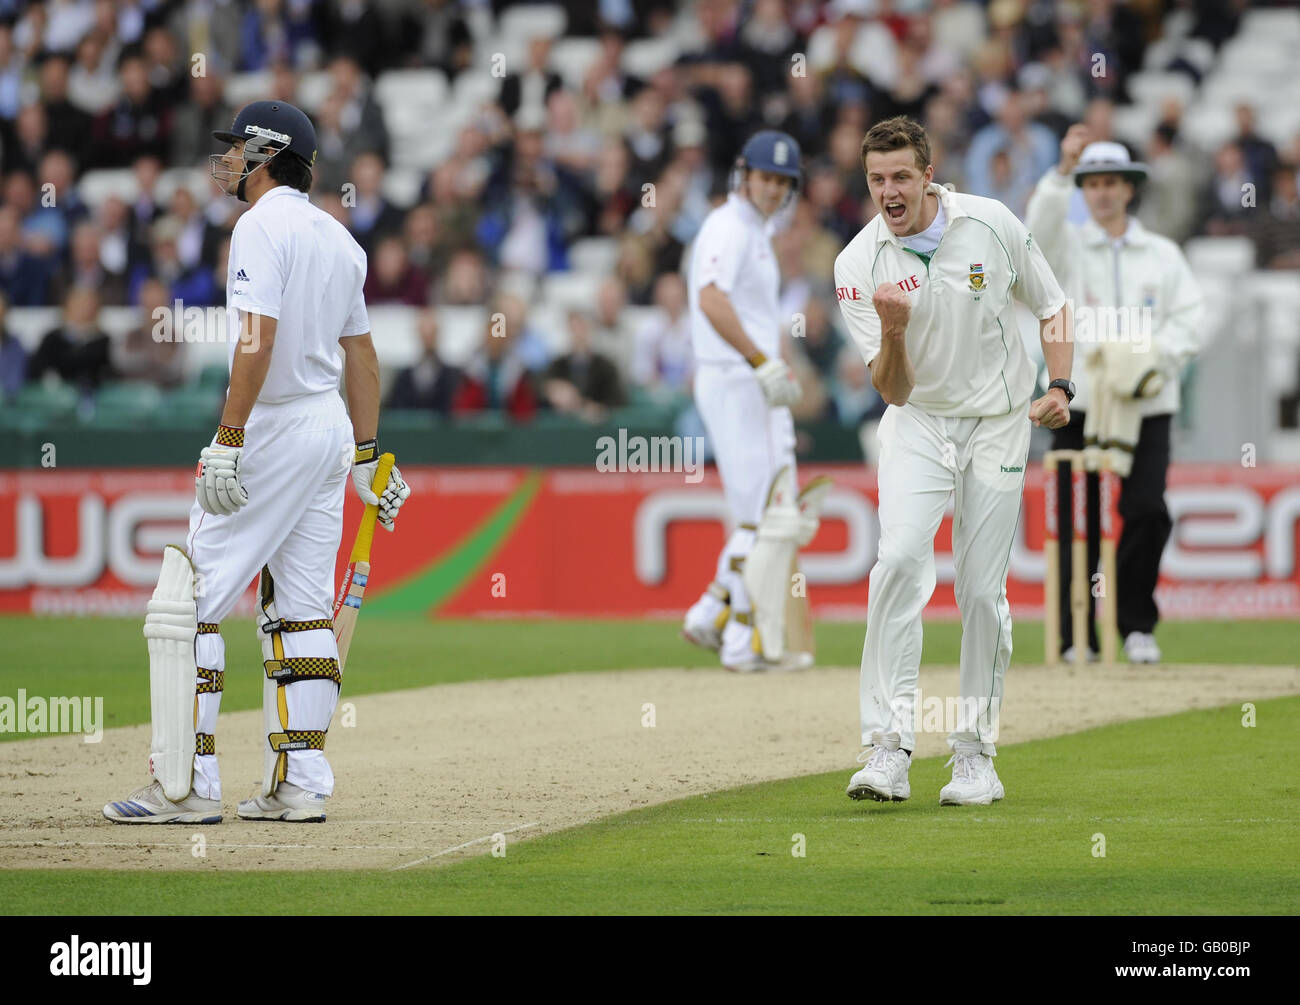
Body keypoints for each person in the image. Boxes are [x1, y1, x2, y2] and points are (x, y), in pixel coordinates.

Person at [103, 100, 410, 825]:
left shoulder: (258, 226)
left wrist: (230, 436)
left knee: (189, 600)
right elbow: (360, 354)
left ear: (269, 153)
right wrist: (365, 452)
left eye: (240, 147)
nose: (230, 160)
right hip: (326, 426)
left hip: (271, 426)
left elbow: (255, 340)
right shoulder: (339, 238)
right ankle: (300, 783)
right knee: (302, 609)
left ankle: (184, 785)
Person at [835, 116, 1072, 806]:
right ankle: (888, 749)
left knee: (978, 589)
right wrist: (894, 331)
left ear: (929, 173)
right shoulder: (858, 263)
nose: (889, 191)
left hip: (1000, 420)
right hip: (917, 421)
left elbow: (1053, 306)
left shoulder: (992, 223)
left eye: (902, 176)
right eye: (877, 179)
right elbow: (893, 389)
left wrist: (1059, 386)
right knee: (901, 562)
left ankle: (975, 756)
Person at [1026, 126, 1203, 665]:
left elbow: (1190, 322)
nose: (1101, 192)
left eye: (1111, 183)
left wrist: (1149, 364)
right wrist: (1060, 172)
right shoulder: (1066, 247)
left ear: (1129, 188)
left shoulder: (1163, 254)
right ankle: (1073, 633)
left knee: (1146, 508)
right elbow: (1037, 229)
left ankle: (1135, 625)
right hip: (1076, 403)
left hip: (1147, 405)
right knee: (1077, 521)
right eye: (1092, 183)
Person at [679, 130, 830, 674]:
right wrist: (758, 361)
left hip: (746, 378)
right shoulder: (730, 226)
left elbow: (746, 311)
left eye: (782, 181)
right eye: (766, 177)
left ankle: (713, 607)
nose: (772, 189)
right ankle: (739, 638)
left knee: (769, 512)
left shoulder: (756, 230)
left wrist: (771, 359)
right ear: (746, 173)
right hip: (736, 380)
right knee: (767, 516)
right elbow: (710, 299)